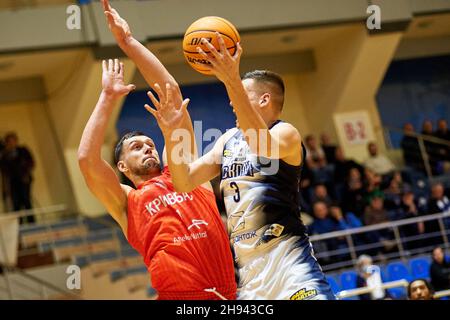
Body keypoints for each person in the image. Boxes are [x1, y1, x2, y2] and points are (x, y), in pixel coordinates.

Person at [147, 33, 335, 299]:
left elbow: (261, 145)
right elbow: (184, 181)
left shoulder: (286, 133)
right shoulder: (226, 140)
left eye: (242, 95)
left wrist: (230, 78)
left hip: (290, 264)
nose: (233, 102)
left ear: (264, 100)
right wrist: (171, 132)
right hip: (250, 276)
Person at [78, 0, 236, 300]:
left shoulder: (186, 172)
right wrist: (108, 97)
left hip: (227, 295)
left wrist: (128, 42)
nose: (148, 148)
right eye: (136, 148)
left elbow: (171, 94)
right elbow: (87, 160)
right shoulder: (127, 202)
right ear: (122, 167)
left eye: (150, 144)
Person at [0, 132, 35, 223]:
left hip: (24, 180)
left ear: (16, 141)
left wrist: (25, 171)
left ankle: (32, 222)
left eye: (13, 141)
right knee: (16, 203)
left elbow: (31, 162)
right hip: (12, 181)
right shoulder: (5, 155)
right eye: (9, 141)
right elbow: (4, 168)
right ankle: (19, 224)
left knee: (26, 200)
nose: (11, 143)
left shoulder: (23, 150)